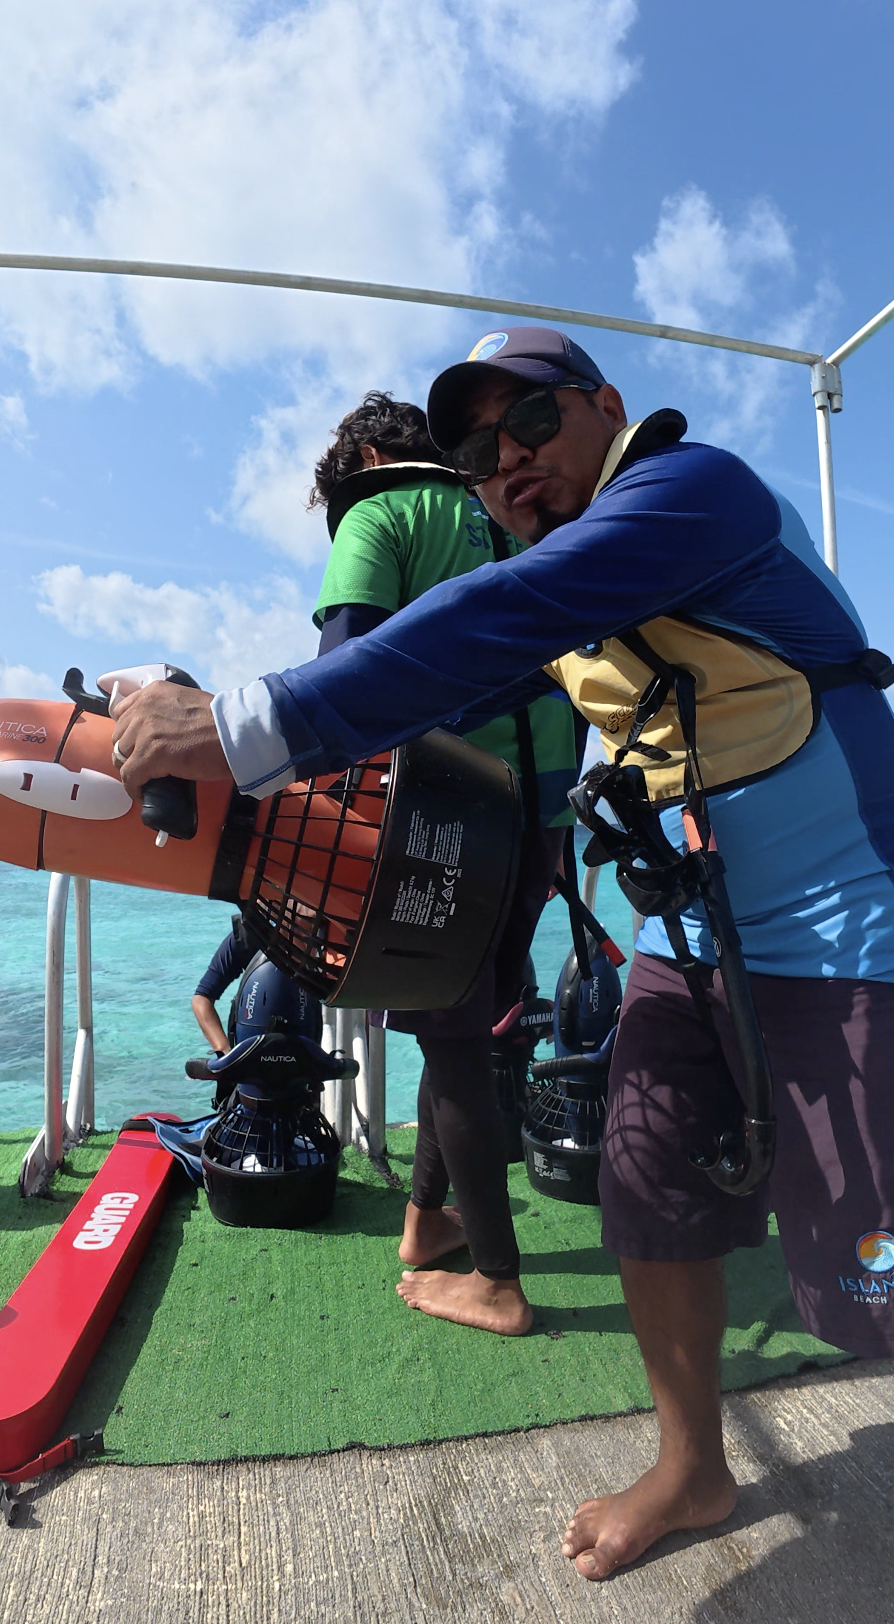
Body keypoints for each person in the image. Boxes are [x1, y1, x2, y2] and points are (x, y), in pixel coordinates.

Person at [111, 326, 894, 1622]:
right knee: (643, 1188)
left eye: (529, 427)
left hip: (844, 917)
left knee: (893, 1257)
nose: (506, 467)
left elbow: (498, 612)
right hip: (689, 926)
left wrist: (241, 726)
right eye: (478, 457)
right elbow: (443, 659)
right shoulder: (551, 587)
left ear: (605, 407)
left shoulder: (690, 492)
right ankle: (693, 1465)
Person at [308, 390, 581, 1337]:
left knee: (452, 1036)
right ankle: (426, 1224)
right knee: (462, 1026)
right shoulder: (534, 520)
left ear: (365, 466)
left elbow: (343, 666)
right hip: (543, 817)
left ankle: (499, 1282)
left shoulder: (381, 511)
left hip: (438, 812)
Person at [190, 914, 264, 1055]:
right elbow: (201, 1000)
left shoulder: (317, 938)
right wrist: (225, 1053)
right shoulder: (248, 937)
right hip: (253, 1051)